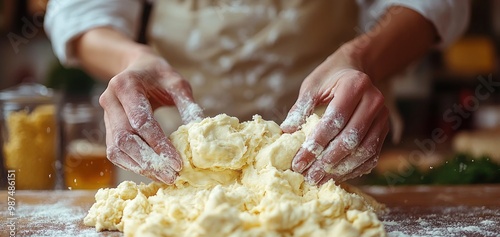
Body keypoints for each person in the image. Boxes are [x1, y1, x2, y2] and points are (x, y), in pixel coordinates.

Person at [44, 0, 470, 185]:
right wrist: (128, 60)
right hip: (169, 169)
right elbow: (78, 13)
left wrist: (364, 58)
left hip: (325, 163)